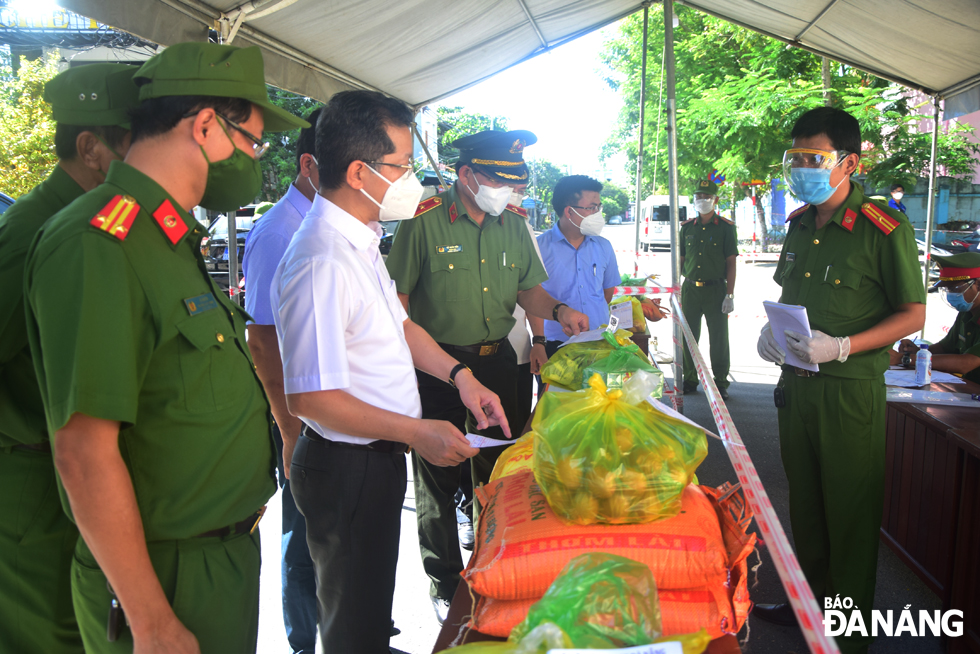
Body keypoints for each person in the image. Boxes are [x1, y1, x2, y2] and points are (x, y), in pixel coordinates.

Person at [24, 42, 309, 653]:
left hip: (216, 559)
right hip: (164, 577)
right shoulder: (99, 242)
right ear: (205, 124)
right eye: (251, 142)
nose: (252, 160)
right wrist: (150, 618)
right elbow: (82, 449)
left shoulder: (167, 234)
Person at [271, 90, 510, 653]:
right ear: (359, 172)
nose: (412, 181)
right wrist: (418, 431)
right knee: (352, 623)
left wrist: (462, 378)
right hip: (346, 464)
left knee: (367, 612)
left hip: (374, 459)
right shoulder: (321, 258)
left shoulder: (361, 240)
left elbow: (402, 328)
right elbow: (311, 398)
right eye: (401, 166)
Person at [385, 129, 589, 623]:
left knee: (499, 471)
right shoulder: (423, 221)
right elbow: (398, 305)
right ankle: (445, 580)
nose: (510, 191)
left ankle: (494, 561)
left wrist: (559, 310)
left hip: (498, 363)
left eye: (515, 182)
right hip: (437, 366)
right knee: (436, 478)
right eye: (499, 180)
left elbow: (529, 292)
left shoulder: (514, 223)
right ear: (467, 175)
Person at [755, 106, 926, 654]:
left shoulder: (883, 227)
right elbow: (792, 299)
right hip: (798, 386)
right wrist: (771, 331)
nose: (802, 167)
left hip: (850, 393)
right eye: (796, 157)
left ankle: (847, 635)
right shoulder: (801, 223)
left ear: (849, 162)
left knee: (849, 514)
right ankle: (809, 603)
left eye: (815, 158)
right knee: (804, 504)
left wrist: (846, 346)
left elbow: (913, 314)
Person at [0, 62, 138, 654]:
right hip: (34, 488)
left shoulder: (102, 220)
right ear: (92, 148)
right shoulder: (34, 230)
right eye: (135, 140)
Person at [241, 107, 321, 654]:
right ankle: (303, 643)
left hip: (332, 405)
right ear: (313, 164)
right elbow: (263, 340)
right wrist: (288, 428)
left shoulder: (330, 224)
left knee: (332, 530)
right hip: (296, 412)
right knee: (302, 536)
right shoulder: (279, 232)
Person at [529, 174, 620, 366]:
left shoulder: (604, 246)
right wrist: (538, 342)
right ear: (569, 212)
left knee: (601, 396)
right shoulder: (538, 248)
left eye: (598, 207)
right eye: (591, 208)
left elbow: (607, 293)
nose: (598, 213)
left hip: (599, 341)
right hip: (556, 345)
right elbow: (531, 298)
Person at [679, 179, 737, 400]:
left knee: (719, 338)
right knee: (688, 337)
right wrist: (676, 288)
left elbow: (731, 263)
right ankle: (690, 378)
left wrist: (729, 294)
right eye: (698, 197)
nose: (702, 201)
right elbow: (680, 259)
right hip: (690, 289)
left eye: (707, 197)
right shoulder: (686, 228)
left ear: (716, 200)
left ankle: (720, 381)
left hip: (715, 291)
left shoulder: (725, 228)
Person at [890, 252, 980, 381]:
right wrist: (917, 351)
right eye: (948, 290)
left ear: (978, 283)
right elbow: (944, 348)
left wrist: (903, 359)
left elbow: (966, 363)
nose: (951, 295)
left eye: (955, 288)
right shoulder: (967, 312)